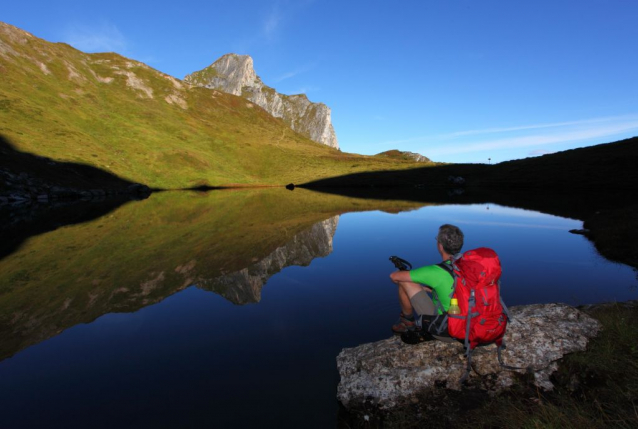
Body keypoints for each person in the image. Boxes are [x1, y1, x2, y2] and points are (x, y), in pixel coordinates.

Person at [389, 224, 464, 342]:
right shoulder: (468, 265)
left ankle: (408, 322)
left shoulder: (436, 271)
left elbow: (394, 277)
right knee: (424, 285)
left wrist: (410, 277)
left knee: (404, 280)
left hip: (448, 331)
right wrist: (430, 289)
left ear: (440, 246)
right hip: (471, 325)